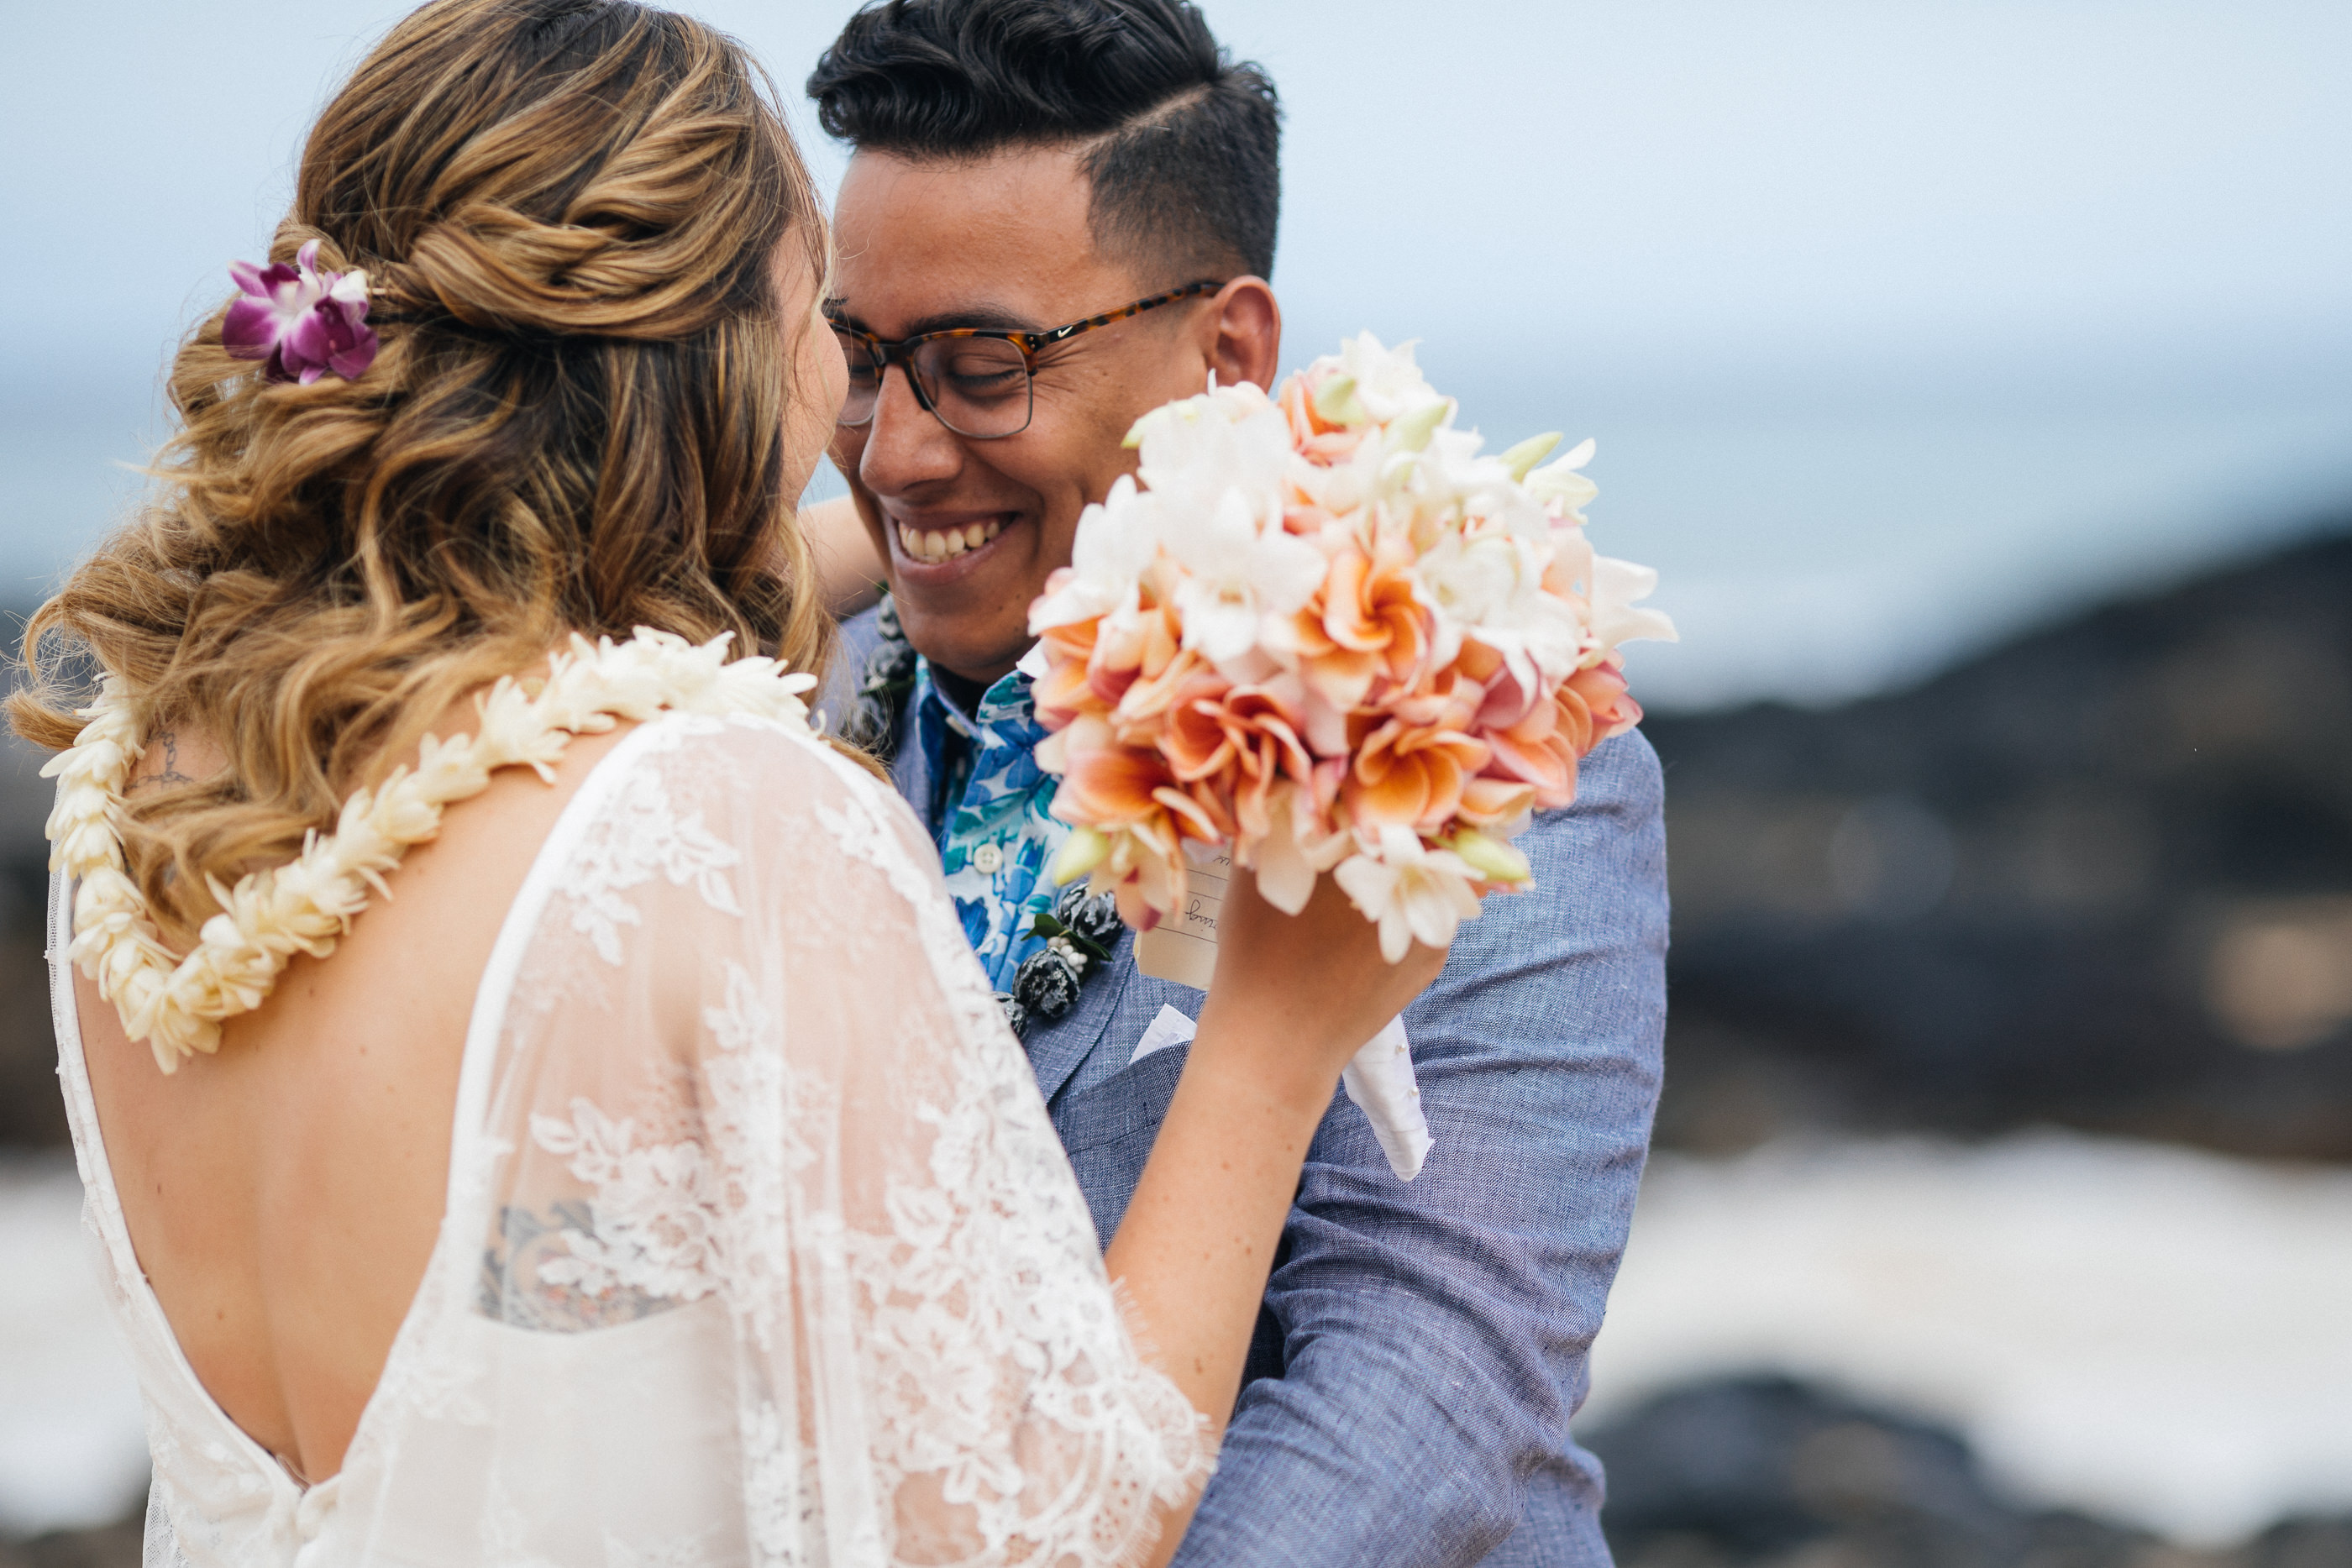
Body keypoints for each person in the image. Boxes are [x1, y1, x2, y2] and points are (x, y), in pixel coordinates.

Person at [14, 3, 1445, 1563]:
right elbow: (1043, 1524)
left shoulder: (145, 807)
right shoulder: (727, 817)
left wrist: (1072, 545)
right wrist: (1276, 1040)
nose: (879, 431)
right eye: (835, 328)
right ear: (716, 365)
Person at [808, 3, 1671, 1564]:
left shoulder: (1471, 738)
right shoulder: (793, 689)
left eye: (983, 365)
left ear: (1229, 354)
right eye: (861, 358)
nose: (896, 454)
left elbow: (1431, 1390)